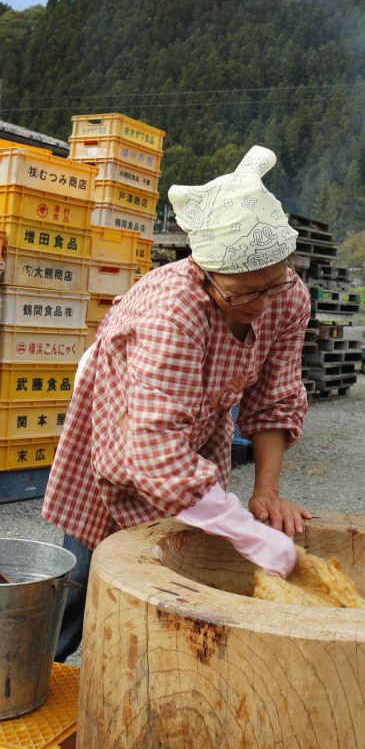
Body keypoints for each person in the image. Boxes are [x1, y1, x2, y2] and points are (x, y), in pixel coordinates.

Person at [43, 145, 312, 662]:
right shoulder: (172, 311)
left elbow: (275, 395)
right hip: (122, 430)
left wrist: (266, 492)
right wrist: (243, 532)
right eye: (245, 293)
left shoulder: (287, 295)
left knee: (172, 583)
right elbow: (154, 451)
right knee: (80, 583)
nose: (261, 305)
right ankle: (28, 683)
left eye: (273, 284)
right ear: (205, 271)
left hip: (193, 432)